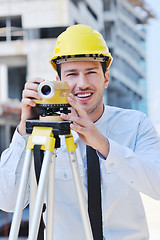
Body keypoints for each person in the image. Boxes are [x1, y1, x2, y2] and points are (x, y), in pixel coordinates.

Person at [0, 24, 160, 240]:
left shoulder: (136, 124)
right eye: (72, 74)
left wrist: (103, 145)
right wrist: (24, 129)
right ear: (59, 82)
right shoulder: (44, 134)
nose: (82, 84)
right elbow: (8, 200)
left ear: (106, 77)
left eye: (91, 72)